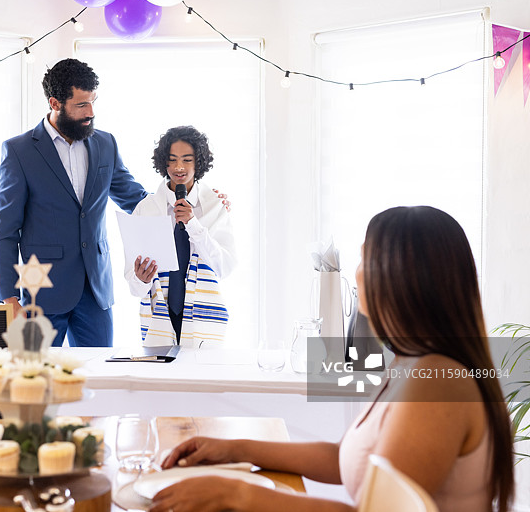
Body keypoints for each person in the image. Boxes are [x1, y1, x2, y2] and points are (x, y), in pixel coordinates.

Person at [150, 206, 514, 512]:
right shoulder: (414, 362)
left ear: (401, 278)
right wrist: (233, 449)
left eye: (364, 258)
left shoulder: (437, 381)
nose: (356, 273)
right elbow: (349, 456)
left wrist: (239, 494)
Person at [0, 58, 147, 347]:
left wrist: (191, 204)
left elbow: (135, 200)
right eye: (81, 105)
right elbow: (5, 231)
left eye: (93, 102)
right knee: (38, 381)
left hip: (96, 290)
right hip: (41, 293)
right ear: (55, 103)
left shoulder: (106, 143)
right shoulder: (19, 151)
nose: (91, 113)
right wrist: (9, 297)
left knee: (99, 379)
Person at [124, 126, 235, 347]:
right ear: (163, 163)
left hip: (204, 319)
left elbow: (223, 267)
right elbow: (134, 287)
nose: (179, 167)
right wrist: (141, 279)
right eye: (172, 160)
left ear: (199, 162)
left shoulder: (215, 206)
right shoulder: (146, 209)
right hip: (159, 318)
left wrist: (193, 224)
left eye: (187, 159)